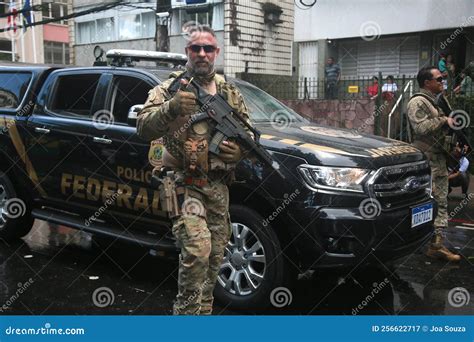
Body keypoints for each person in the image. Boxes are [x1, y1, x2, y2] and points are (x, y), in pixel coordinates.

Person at [136, 25, 250, 314]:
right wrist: (171, 108)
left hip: (217, 188)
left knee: (214, 259)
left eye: (208, 48)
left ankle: (202, 317)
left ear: (216, 53)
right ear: (187, 52)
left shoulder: (230, 93)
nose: (202, 54)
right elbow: (143, 128)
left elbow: (247, 135)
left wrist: (239, 152)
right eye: (195, 48)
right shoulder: (169, 89)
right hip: (183, 185)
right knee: (197, 253)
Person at [407, 66, 461, 262]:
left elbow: (441, 133)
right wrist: (443, 120)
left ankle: (435, 243)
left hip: (438, 158)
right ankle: (432, 245)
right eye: (438, 79)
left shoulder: (436, 102)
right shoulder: (417, 102)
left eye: (442, 79)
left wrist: (453, 148)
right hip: (427, 160)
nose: (441, 82)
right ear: (426, 83)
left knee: (439, 202)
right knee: (434, 202)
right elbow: (420, 128)